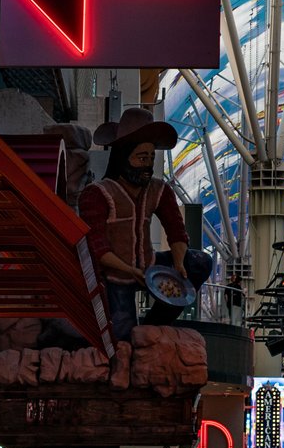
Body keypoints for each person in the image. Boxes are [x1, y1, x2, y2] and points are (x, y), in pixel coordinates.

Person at [78, 107, 214, 339]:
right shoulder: (97, 194)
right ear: (123, 158)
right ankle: (132, 334)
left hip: (151, 267)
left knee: (200, 262)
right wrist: (130, 270)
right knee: (121, 334)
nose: (147, 166)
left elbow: (176, 231)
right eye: (141, 158)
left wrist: (179, 263)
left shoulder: (160, 191)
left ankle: (153, 325)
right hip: (116, 275)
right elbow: (97, 248)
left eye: (151, 158)